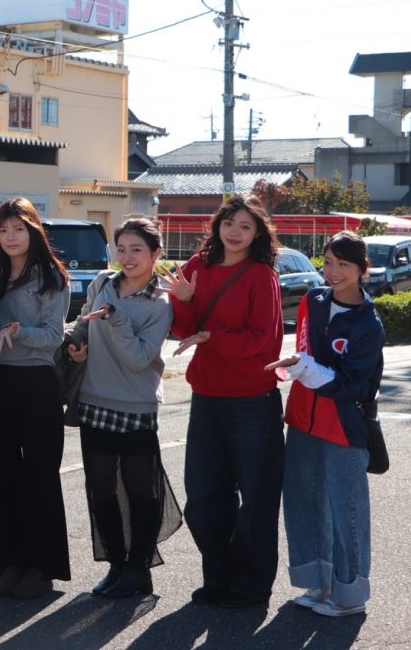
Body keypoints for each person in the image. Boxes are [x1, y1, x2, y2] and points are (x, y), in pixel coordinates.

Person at [162, 195, 285, 609]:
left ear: (257, 235)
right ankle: (218, 575)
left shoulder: (260, 275)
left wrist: (213, 338)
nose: (234, 231)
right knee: (203, 493)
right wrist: (182, 298)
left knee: (257, 495)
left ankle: (250, 586)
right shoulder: (199, 266)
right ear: (217, 225)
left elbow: (264, 342)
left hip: (252, 398)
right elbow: (183, 330)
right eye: (229, 222)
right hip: (208, 397)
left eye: (245, 226)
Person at [267, 231, 384, 617]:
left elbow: (353, 384)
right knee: (302, 499)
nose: (332, 272)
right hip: (303, 416)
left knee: (345, 509)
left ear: (362, 270)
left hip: (344, 425)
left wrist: (307, 368)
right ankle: (319, 582)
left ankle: (350, 596)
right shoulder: (314, 300)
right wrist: (298, 364)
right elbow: (304, 351)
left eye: (343, 265)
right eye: (329, 262)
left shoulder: (369, 324)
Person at [65, 218, 181, 599]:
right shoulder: (102, 283)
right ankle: (116, 564)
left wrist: (114, 318)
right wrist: (76, 344)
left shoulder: (160, 302)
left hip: (136, 404)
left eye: (137, 250)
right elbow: (83, 325)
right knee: (101, 489)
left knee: (140, 492)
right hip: (95, 398)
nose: (127, 258)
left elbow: (140, 358)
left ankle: (139, 569)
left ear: (156, 255)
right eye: (122, 249)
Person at [0, 197, 71, 599]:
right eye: (3, 230)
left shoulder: (53, 279)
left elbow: (53, 338)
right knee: (1, 475)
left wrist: (16, 331)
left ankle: (40, 567)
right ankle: (9, 564)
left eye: (18, 228)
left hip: (37, 384)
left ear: (34, 230)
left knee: (39, 475)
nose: (10, 237)